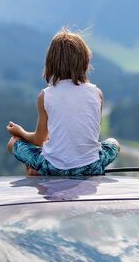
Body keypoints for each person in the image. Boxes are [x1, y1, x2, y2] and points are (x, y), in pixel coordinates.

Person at [7, 28, 121, 176]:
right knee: (114, 143)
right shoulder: (97, 93)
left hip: (54, 168)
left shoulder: (45, 95)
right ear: (84, 61)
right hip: (92, 166)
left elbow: (39, 140)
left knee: (13, 142)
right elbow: (88, 133)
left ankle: (38, 169)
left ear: (51, 63)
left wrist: (20, 132)